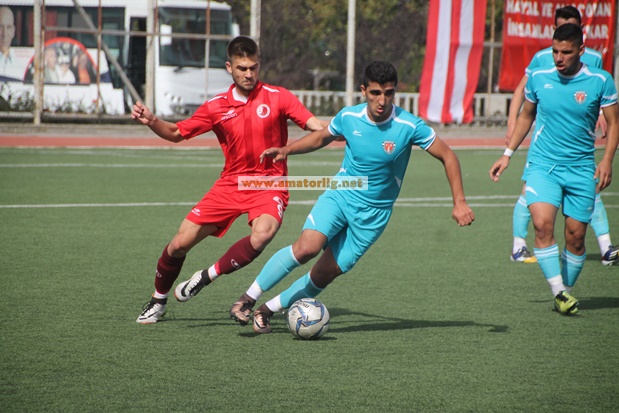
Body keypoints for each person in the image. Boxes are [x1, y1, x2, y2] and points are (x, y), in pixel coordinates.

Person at [226, 60, 475, 333]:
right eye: (375, 93)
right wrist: (287, 150)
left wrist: (459, 202)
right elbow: (321, 137)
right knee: (307, 247)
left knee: (324, 274)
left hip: (374, 215)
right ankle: (247, 299)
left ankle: (266, 310)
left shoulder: (409, 125)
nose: (382, 101)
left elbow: (448, 156)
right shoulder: (349, 117)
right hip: (341, 196)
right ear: (363, 90)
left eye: (389, 93)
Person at [131, 36, 326, 324]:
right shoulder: (216, 106)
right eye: (242, 68)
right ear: (229, 68)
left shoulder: (279, 96)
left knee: (263, 234)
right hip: (231, 185)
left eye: (253, 68)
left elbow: (317, 127)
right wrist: (152, 121)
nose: (249, 74)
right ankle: (158, 300)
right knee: (178, 245)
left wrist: (341, 130)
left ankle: (206, 276)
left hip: (268, 185)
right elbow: (176, 133)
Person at [490, 24, 619, 315]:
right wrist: (507, 154)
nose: (559, 58)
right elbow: (526, 116)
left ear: (581, 50)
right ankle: (559, 291)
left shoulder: (600, 80)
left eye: (566, 52)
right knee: (542, 225)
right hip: (543, 166)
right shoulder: (539, 76)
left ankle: (566, 290)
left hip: (581, 168)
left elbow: (614, 123)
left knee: (575, 237)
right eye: (555, 51)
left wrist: (607, 160)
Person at [505, 5, 618, 265]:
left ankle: (605, 247)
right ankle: (519, 245)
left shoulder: (594, 61)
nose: (559, 56)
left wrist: (601, 115)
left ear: (580, 38)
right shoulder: (541, 59)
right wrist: (512, 123)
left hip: (578, 148)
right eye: (560, 27)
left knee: (591, 189)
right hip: (545, 145)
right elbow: (522, 91)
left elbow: (596, 96)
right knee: (530, 192)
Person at [0, 6, 15, 78]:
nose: (4, 34)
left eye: (8, 27)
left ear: (13, 31)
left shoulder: (19, 62)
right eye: (0, 27)